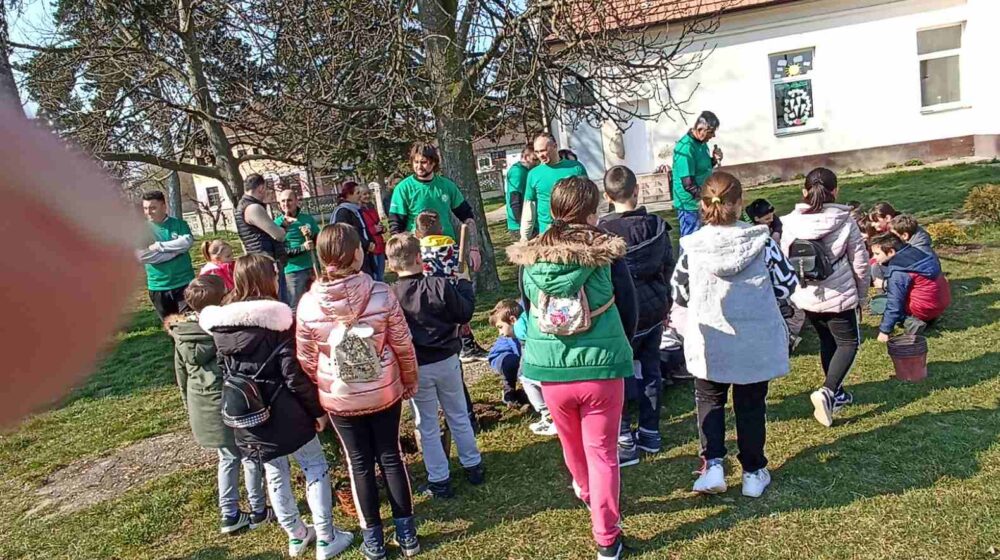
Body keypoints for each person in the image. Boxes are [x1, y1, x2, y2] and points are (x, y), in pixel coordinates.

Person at [507, 176, 637, 560]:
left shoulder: (529, 258)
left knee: (572, 446)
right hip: (601, 367)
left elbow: (528, 309)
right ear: (592, 211)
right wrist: (620, 345)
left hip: (550, 371)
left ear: (553, 211)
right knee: (603, 452)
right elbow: (628, 306)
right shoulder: (606, 253)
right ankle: (606, 537)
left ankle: (585, 491)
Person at [199, 254, 353, 559]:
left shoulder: (221, 327)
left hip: (248, 416)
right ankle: (326, 536)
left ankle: (296, 535)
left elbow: (223, 371)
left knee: (275, 473)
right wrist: (317, 411)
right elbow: (293, 376)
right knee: (314, 467)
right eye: (273, 273)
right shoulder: (278, 322)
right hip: (286, 411)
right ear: (265, 279)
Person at [295, 224, 421, 560]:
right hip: (382, 390)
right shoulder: (380, 293)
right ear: (356, 254)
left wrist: (323, 388)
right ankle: (407, 534)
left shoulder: (307, 304)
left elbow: (306, 360)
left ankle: (374, 540)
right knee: (390, 456)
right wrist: (409, 379)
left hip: (340, 395)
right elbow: (402, 344)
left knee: (359, 464)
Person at [670, 172, 797, 498]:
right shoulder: (762, 242)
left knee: (709, 400)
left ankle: (713, 465)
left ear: (703, 205)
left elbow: (679, 291)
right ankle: (753, 471)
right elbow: (786, 285)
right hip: (753, 339)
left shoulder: (693, 247)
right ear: (739, 204)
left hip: (710, 339)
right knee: (751, 404)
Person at [166, 275, 273, 534]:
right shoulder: (222, 331)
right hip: (232, 403)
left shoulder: (182, 336)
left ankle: (230, 514)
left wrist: (188, 405)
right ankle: (259, 509)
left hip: (203, 406)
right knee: (249, 455)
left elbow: (182, 377)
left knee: (226, 459)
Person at [387, 233, 485, 499]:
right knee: (458, 414)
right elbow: (464, 313)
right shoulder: (439, 285)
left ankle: (440, 479)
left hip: (418, 366)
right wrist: (464, 285)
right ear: (420, 258)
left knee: (426, 423)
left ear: (391, 264)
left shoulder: (391, 296)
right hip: (447, 361)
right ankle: (472, 464)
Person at [781, 168, 871, 428]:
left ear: (803, 193)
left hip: (807, 295)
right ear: (836, 191)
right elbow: (861, 263)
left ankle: (838, 393)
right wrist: (861, 296)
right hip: (839, 294)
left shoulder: (789, 223)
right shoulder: (845, 220)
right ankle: (829, 391)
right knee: (848, 343)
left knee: (826, 341)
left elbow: (785, 258)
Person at [597, 165, 673, 467]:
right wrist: (666, 300)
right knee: (651, 369)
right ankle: (651, 431)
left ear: (606, 196)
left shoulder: (601, 234)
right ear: (637, 190)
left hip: (620, 313)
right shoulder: (656, 226)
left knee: (617, 374)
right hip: (654, 308)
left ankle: (625, 438)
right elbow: (669, 265)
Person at [388, 143, 483, 273]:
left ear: (433, 163)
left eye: (424, 162)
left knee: (457, 290)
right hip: (418, 254)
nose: (419, 166)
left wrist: (474, 249)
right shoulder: (403, 188)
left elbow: (468, 218)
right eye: (416, 162)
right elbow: (395, 227)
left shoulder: (447, 186)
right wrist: (399, 256)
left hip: (448, 251)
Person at [413, 210, 489, 362]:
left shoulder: (418, 253)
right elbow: (463, 274)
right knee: (456, 326)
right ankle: (463, 347)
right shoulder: (453, 249)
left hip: (429, 298)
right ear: (441, 230)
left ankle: (450, 351)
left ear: (418, 233)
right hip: (452, 296)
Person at [870, 232, 951, 340]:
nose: (874, 258)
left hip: (923, 307)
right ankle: (929, 318)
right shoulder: (917, 252)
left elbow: (895, 303)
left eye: (877, 254)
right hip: (941, 301)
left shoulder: (899, 270)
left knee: (878, 304)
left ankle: (911, 322)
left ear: (891, 252)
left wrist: (884, 331)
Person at [136, 190, 195, 319]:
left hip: (185, 283)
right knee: (171, 326)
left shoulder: (179, 224)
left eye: (153, 208)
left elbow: (186, 243)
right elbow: (142, 256)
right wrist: (175, 252)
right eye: (145, 208)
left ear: (164, 206)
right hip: (158, 286)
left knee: (189, 323)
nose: (148, 212)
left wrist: (159, 246)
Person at [235, 174, 293, 301]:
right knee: (278, 302)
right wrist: (284, 226)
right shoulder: (253, 208)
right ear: (261, 188)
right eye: (266, 189)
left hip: (258, 261)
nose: (267, 192)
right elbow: (278, 235)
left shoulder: (243, 205)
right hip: (266, 262)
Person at [520, 133, 588, 240]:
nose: (540, 155)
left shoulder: (576, 168)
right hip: (547, 234)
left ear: (555, 146)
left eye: (543, 150)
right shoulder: (533, 174)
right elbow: (529, 208)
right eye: (537, 152)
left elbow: (588, 200)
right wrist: (524, 237)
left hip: (574, 231)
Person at [672, 111, 724, 237]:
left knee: (705, 239)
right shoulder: (685, 148)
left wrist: (713, 160)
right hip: (689, 205)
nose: (713, 136)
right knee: (691, 241)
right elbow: (688, 184)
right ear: (700, 129)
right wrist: (709, 198)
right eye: (711, 132)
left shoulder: (702, 143)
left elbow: (702, 168)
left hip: (701, 199)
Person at [276, 189, 321, 309]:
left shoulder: (307, 219)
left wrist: (311, 236)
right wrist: (302, 248)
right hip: (293, 271)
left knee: (318, 301)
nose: (286, 204)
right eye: (283, 201)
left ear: (296, 201)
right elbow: (280, 251)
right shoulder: (277, 224)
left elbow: (319, 240)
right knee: (296, 305)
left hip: (312, 266)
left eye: (289, 200)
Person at [330, 181, 375, 276]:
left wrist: (371, 241)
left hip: (363, 253)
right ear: (349, 195)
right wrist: (365, 244)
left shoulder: (355, 209)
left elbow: (363, 228)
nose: (360, 196)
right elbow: (347, 234)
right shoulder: (343, 212)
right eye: (357, 193)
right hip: (352, 256)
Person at [505, 146, 539, 242]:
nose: (537, 163)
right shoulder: (517, 172)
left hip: (529, 222)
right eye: (534, 159)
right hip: (521, 225)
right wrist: (523, 226)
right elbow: (515, 200)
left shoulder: (527, 171)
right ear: (526, 157)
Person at [358, 183, 388, 281]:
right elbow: (361, 229)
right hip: (371, 246)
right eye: (364, 194)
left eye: (368, 194)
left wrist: (382, 228)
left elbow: (377, 222)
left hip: (380, 244)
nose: (367, 196)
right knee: (375, 275)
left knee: (381, 272)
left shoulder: (371, 207)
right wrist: (374, 229)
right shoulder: (358, 211)